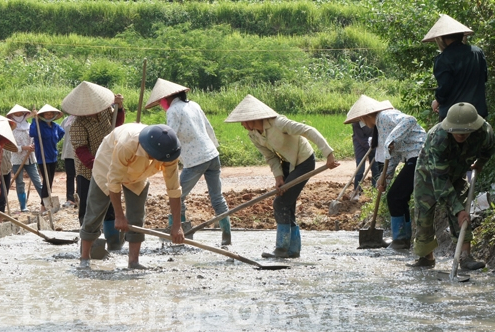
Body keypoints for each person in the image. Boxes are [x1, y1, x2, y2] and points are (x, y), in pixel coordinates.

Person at [225, 95, 339, 258]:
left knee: (280, 203)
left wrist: (328, 153)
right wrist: (278, 177)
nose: (242, 125)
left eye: (243, 121)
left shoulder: (279, 123)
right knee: (287, 204)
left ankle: (282, 248)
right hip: (286, 163)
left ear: (253, 118)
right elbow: (271, 157)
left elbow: (308, 130)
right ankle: (293, 250)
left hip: (303, 161)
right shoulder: (254, 135)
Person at [79, 124, 183, 270]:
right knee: (95, 210)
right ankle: (84, 258)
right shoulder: (127, 144)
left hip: (138, 173)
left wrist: (177, 226)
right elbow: (114, 182)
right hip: (108, 164)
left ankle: (133, 261)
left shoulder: (169, 153)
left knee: (137, 214)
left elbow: (174, 190)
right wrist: (119, 215)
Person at [145, 78, 232, 246]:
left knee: (177, 196)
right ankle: (226, 236)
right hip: (212, 155)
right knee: (217, 197)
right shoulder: (194, 105)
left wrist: (161, 157)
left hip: (195, 160)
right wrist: (213, 147)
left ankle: (178, 233)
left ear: (167, 98)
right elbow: (208, 128)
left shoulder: (173, 111)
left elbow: (170, 136)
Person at [410, 102, 495, 269]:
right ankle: (426, 257)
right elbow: (440, 180)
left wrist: (480, 164)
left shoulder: (484, 132)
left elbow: (489, 149)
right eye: (456, 131)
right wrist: (457, 209)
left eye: (465, 132)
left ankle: (465, 256)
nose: (460, 135)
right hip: (429, 172)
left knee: (463, 210)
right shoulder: (439, 138)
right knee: (425, 211)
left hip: (460, 169)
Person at [345, 95, 426, 249]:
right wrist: (385, 180)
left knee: (395, 197)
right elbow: (392, 157)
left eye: (362, 120)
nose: (363, 124)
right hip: (412, 157)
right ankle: (403, 239)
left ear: (366, 116)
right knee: (398, 196)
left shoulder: (384, 116)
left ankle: (400, 240)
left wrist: (391, 139)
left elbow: (410, 120)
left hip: (420, 154)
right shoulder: (380, 128)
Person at [63, 81, 125, 251]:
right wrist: (98, 166)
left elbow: (117, 125)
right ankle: (89, 243)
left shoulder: (106, 111)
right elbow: (81, 151)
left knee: (111, 204)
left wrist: (119, 108)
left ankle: (114, 242)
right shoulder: (77, 124)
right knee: (89, 206)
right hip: (88, 171)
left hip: (109, 164)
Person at [422, 14, 488, 121]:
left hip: (453, 116)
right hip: (477, 113)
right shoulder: (477, 52)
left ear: (442, 38)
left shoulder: (443, 58)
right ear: (462, 35)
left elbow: (445, 87)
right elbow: (483, 78)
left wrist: (437, 101)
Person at [7, 105, 42, 212]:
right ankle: (23, 206)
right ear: (12, 116)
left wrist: (34, 146)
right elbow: (10, 146)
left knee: (37, 180)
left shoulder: (30, 126)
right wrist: (23, 148)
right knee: (20, 183)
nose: (18, 116)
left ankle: (45, 201)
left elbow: (35, 138)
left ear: (24, 115)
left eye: (20, 114)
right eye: (16, 114)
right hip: (17, 159)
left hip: (30, 158)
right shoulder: (11, 129)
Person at [30, 104, 65, 213]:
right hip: (43, 156)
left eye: (51, 114)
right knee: (46, 181)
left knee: (49, 181)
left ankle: (46, 203)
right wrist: (34, 120)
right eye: (47, 114)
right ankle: (43, 206)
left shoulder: (55, 126)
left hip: (53, 156)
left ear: (54, 115)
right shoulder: (39, 125)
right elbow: (32, 133)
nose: (49, 116)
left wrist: (54, 142)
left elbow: (61, 133)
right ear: (43, 115)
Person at [350, 121, 379, 201]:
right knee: (360, 169)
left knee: (375, 169)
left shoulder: (374, 120)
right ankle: (357, 190)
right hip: (360, 145)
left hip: (375, 144)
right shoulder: (356, 123)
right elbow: (361, 139)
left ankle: (374, 191)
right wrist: (371, 147)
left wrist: (375, 147)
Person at [60, 114, 78, 208]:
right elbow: (59, 133)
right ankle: (70, 199)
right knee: (70, 176)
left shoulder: (84, 118)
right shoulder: (66, 120)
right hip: (68, 152)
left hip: (80, 152)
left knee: (80, 176)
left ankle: (79, 198)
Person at [0, 149, 12, 224]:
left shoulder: (8, 145)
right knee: (1, 196)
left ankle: (0, 219)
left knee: (5, 195)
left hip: (7, 171)